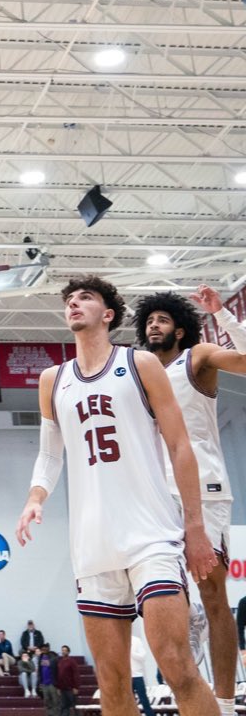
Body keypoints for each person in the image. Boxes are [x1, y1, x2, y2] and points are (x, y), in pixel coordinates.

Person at [16, 275, 219, 716]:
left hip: (151, 536)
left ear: (107, 314)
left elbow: (181, 446)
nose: (73, 304)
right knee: (111, 683)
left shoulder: (140, 364)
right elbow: (50, 456)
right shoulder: (53, 380)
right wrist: (35, 498)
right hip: (92, 546)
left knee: (178, 667)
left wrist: (196, 527)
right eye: (69, 299)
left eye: (85, 297)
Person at [131, 286, 246, 716]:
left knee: (213, 593)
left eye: (161, 319)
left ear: (180, 328)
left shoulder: (198, 358)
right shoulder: (139, 374)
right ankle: (187, 694)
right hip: (157, 494)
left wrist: (224, 317)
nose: (153, 325)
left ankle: (225, 701)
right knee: (162, 596)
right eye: (148, 320)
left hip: (206, 488)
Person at [130, 634, 155, 716]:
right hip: (126, 677)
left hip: (137, 676)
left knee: (143, 699)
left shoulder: (136, 640)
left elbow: (143, 657)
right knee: (129, 701)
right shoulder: (119, 641)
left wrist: (131, 652)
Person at [56, 646, 78, 716]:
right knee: (64, 706)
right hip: (62, 688)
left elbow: (76, 674)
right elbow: (59, 675)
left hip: (71, 688)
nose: (63, 652)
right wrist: (58, 687)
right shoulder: (60, 662)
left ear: (68, 652)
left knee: (75, 706)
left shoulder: (72, 661)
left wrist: (76, 687)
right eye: (62, 650)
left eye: (65, 650)